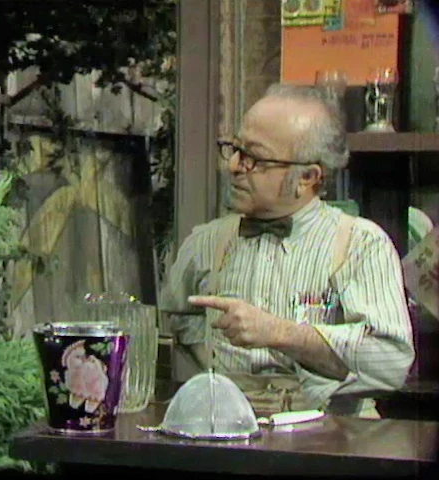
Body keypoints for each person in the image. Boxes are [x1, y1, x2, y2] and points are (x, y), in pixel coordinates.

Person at [159, 83, 415, 418]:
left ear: (307, 176)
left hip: (334, 433)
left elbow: (391, 361)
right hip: (228, 428)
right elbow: (178, 316)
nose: (233, 165)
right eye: (235, 149)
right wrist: (216, 371)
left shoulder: (362, 245)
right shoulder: (205, 242)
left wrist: (278, 332)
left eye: (254, 158)